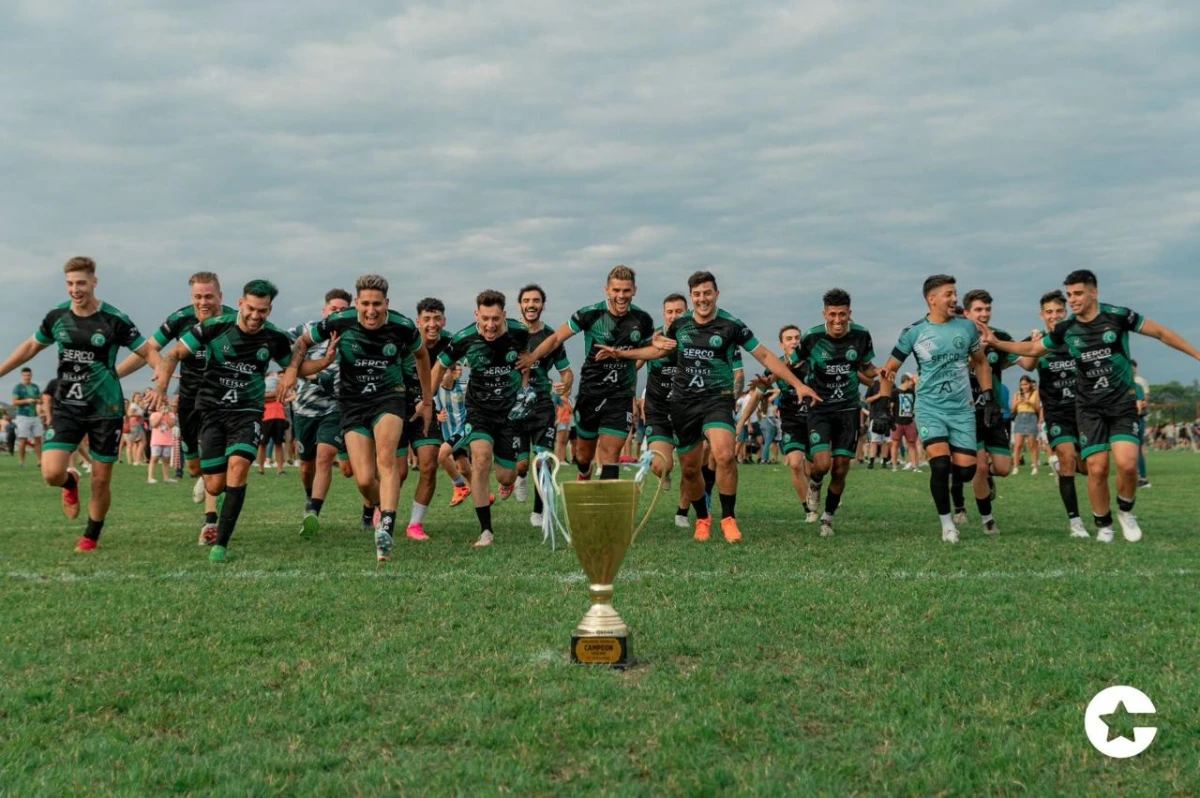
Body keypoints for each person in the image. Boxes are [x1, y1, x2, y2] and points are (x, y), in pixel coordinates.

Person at [598, 271, 819, 543]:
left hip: (717, 399)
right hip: (683, 404)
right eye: (697, 294)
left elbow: (763, 354)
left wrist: (796, 383)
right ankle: (702, 517)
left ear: (716, 294)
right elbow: (657, 351)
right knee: (690, 469)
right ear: (691, 298)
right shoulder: (679, 324)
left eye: (707, 293)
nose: (703, 299)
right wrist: (621, 354)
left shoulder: (731, 325)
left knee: (725, 455)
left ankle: (728, 518)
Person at [983, 269, 1200, 542]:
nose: (1072, 300)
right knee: (1096, 468)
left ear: (1093, 292)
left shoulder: (1118, 316)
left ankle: (1125, 509)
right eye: (1070, 294)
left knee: (1128, 464)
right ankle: (1104, 524)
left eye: (1077, 294)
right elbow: (1034, 351)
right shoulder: (1066, 329)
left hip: (1121, 403)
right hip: (1088, 408)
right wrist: (996, 342)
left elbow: (1161, 332)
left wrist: (1197, 354)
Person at [0, 256, 158, 551]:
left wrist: (160, 380)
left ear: (94, 282)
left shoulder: (114, 319)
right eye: (70, 283)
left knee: (100, 479)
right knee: (51, 473)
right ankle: (69, 482)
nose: (76, 289)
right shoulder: (57, 317)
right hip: (67, 406)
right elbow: (31, 346)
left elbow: (148, 351)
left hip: (106, 409)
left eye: (81, 283)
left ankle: (91, 535)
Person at [278, 274, 433, 562]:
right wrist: (291, 371)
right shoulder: (339, 321)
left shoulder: (402, 326)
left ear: (387, 303)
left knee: (385, 460)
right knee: (363, 479)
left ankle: (385, 526)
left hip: (388, 396)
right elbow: (301, 342)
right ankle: (379, 506)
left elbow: (422, 356)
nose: (371, 311)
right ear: (356, 302)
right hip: (352, 402)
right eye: (365, 304)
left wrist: (426, 400)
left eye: (377, 304)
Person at [147, 280, 293, 561]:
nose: (255, 315)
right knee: (207, 479)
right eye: (251, 308)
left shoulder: (273, 336)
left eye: (262, 310)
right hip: (203, 405)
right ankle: (210, 485)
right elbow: (165, 351)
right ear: (241, 303)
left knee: (238, 468)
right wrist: (161, 385)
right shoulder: (203, 324)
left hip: (246, 412)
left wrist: (301, 369)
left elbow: (293, 358)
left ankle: (219, 542)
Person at [117, 271, 234, 544]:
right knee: (195, 468)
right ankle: (205, 476)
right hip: (189, 401)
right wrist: (113, 374)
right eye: (197, 297)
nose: (203, 302)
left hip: (224, 400)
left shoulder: (234, 320)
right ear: (191, 297)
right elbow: (148, 350)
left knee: (218, 460)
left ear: (220, 296)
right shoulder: (180, 318)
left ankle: (210, 522)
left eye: (209, 296)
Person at [878, 275, 996, 543]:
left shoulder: (966, 328)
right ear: (931, 299)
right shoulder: (914, 332)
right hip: (930, 407)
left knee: (966, 471)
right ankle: (947, 525)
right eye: (949, 294)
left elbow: (980, 362)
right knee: (940, 465)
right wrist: (883, 407)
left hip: (961, 408)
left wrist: (988, 397)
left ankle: (960, 491)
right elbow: (889, 370)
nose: (955, 298)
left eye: (955, 293)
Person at [518, 265, 654, 481]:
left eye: (626, 290)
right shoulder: (590, 314)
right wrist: (532, 357)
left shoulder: (643, 320)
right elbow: (555, 338)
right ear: (606, 290)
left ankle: (604, 512)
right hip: (591, 394)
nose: (621, 296)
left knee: (610, 454)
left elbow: (649, 350)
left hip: (620, 396)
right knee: (583, 456)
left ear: (634, 291)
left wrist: (626, 360)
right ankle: (584, 471)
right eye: (616, 290)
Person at [430, 290, 531, 547]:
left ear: (504, 316)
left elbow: (526, 360)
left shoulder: (519, 332)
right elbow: (440, 365)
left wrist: (525, 385)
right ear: (477, 314)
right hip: (478, 410)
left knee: (507, 476)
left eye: (496, 318)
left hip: (508, 413)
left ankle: (508, 483)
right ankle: (486, 530)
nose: (490, 324)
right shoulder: (464, 338)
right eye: (485, 318)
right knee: (481, 458)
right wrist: (426, 401)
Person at [791, 289, 879, 537]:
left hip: (848, 408)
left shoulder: (861, 335)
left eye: (843, 314)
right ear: (824, 313)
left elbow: (867, 367)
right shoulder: (812, 337)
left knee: (840, 468)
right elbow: (792, 362)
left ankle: (827, 519)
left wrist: (881, 372)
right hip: (820, 407)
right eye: (833, 315)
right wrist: (773, 379)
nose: (838, 320)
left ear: (850, 313)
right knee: (821, 464)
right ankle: (815, 482)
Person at [287, 289, 352, 536]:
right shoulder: (308, 329)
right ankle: (308, 495)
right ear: (324, 310)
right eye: (333, 309)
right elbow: (281, 346)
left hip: (334, 409)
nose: (338, 314)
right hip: (303, 409)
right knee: (306, 467)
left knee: (325, 456)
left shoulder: (351, 336)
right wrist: (304, 371)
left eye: (343, 310)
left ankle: (314, 511)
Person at [512, 285, 573, 528]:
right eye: (526, 300)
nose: (531, 304)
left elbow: (567, 372)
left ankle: (538, 510)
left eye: (536, 300)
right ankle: (520, 475)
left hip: (542, 405)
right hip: (514, 405)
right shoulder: (509, 332)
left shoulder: (551, 337)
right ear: (520, 305)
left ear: (542, 305)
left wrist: (565, 385)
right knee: (521, 463)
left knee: (543, 459)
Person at [397, 297, 456, 540]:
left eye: (437, 318)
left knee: (429, 465)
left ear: (443, 320)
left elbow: (457, 366)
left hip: (428, 409)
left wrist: (451, 373)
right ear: (418, 321)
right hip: (398, 409)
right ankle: (378, 508)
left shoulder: (450, 342)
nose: (432, 324)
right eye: (427, 319)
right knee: (397, 472)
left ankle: (414, 525)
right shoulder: (404, 340)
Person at [434, 362, 472, 507]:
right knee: (464, 469)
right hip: (449, 433)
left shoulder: (463, 386)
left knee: (441, 455)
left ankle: (459, 486)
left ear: (451, 373)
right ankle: (485, 495)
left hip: (462, 430)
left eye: (444, 373)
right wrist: (437, 417)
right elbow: (433, 410)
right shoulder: (436, 390)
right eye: (441, 374)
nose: (442, 377)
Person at [256, 373, 288, 476]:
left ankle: (280, 469)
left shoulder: (279, 382)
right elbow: (260, 396)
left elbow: (282, 395)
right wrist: (274, 396)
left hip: (279, 416)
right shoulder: (261, 383)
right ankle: (260, 469)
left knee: (278, 443)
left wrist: (270, 396)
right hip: (265, 416)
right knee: (262, 444)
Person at [11, 367, 44, 467]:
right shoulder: (17, 387)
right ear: (22, 376)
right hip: (23, 416)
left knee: (38, 438)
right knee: (23, 439)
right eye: (25, 375)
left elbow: (40, 400)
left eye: (28, 375)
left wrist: (38, 401)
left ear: (31, 375)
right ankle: (21, 461)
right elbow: (14, 402)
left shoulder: (35, 387)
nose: (27, 377)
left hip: (35, 415)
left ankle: (40, 461)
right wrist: (26, 401)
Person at [889, 373, 920, 472]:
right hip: (897, 422)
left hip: (909, 422)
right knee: (895, 444)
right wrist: (891, 420)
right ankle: (894, 465)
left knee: (911, 444)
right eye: (910, 381)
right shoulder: (895, 392)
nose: (911, 383)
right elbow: (891, 407)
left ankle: (914, 466)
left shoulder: (912, 392)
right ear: (906, 380)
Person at [1010, 375, 1041, 475]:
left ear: (1030, 384)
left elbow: (1037, 408)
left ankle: (1035, 466)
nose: (1024, 386)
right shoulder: (1017, 394)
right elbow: (1013, 409)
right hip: (1019, 417)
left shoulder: (1035, 393)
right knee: (1018, 445)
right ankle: (1015, 467)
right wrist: (1018, 402)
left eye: (1026, 384)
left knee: (1032, 445)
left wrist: (1029, 402)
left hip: (1031, 417)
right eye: (1022, 384)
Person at [147, 405, 178, 483]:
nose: (163, 408)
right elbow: (154, 424)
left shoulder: (171, 414)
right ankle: (150, 477)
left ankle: (166, 477)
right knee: (154, 458)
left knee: (166, 460)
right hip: (156, 441)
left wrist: (166, 414)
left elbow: (172, 424)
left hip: (167, 441)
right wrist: (161, 414)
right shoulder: (154, 414)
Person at [1132, 360, 1151, 487]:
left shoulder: (1140, 382)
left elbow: (1145, 400)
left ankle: (1142, 476)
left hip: (1137, 417)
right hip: (1123, 418)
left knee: (1138, 446)